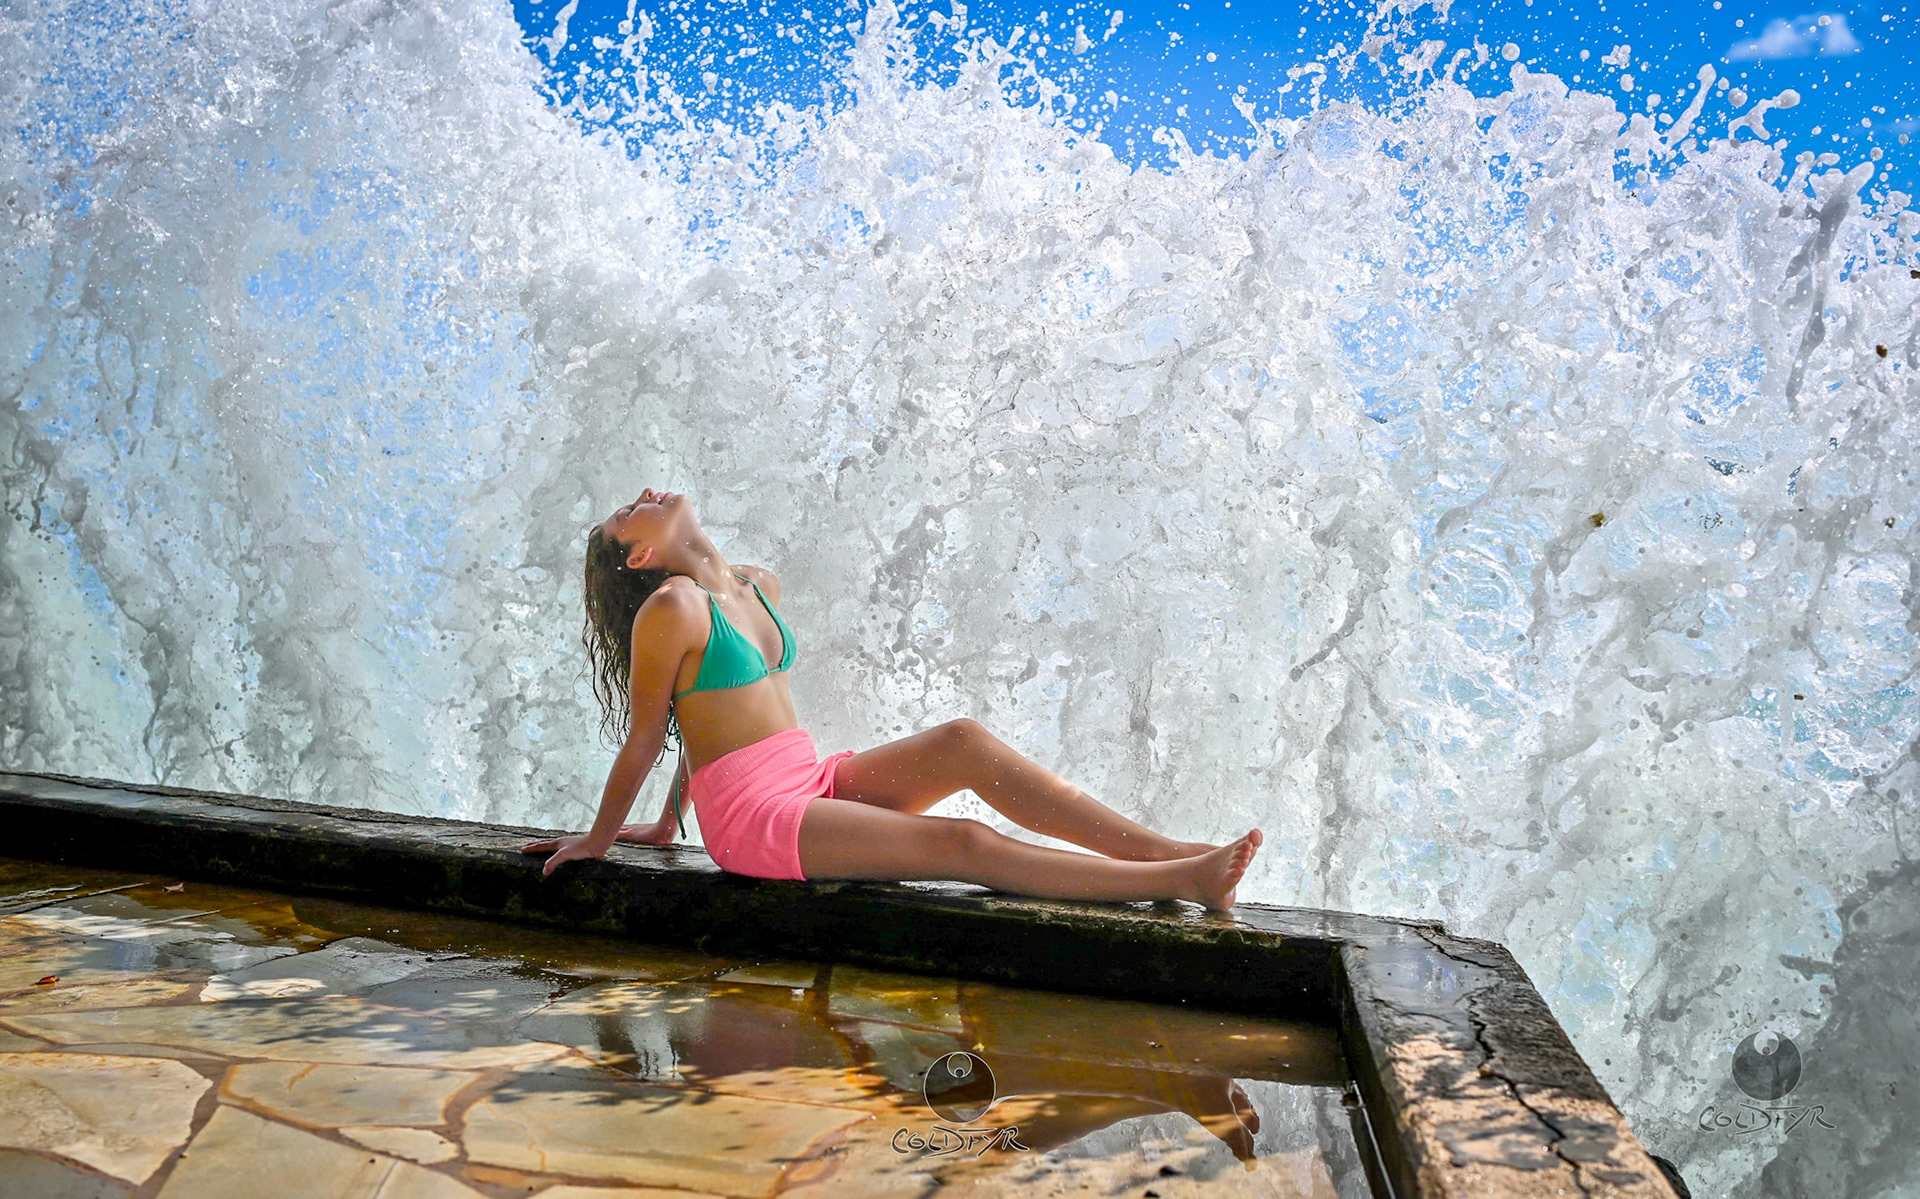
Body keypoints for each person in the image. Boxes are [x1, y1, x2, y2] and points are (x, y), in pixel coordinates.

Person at [522, 488, 1263, 910]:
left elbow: (704, 721)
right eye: (629, 513)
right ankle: (1180, 881)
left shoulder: (753, 586)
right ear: (642, 555)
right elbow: (649, 736)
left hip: (808, 780)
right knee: (960, 842)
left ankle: (1175, 850)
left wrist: (666, 822)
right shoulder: (671, 609)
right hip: (757, 818)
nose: (644, 496)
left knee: (963, 741)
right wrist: (598, 839)